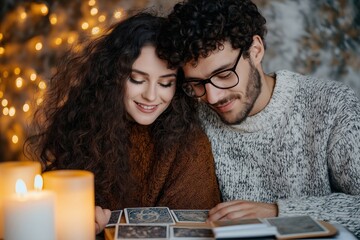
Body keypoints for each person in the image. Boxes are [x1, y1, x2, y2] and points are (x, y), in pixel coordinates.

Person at [157, 0, 360, 237]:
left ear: (255, 51)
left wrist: (277, 212)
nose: (212, 97)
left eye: (223, 74)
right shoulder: (192, 114)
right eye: (197, 83)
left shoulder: (332, 104)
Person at [25, 12, 221, 235]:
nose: (151, 95)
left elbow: (193, 230)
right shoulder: (81, 129)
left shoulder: (189, 142)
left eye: (166, 83)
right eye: (137, 79)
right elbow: (54, 218)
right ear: (113, 75)